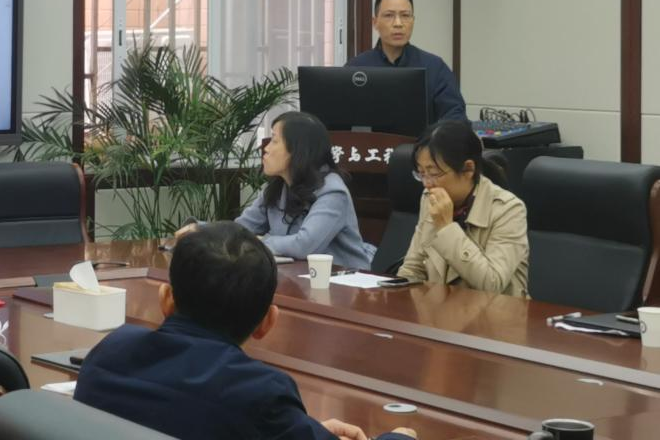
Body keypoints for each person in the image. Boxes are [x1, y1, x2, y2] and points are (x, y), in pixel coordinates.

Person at [74, 221, 416, 440]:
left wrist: (305, 431)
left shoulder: (110, 352)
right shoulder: (258, 393)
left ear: (165, 299)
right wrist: (400, 437)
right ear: (268, 322)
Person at [397, 120, 529, 296]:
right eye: (421, 174)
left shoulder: (508, 209)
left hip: (492, 312)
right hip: (437, 309)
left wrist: (446, 228)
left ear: (468, 169)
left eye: (434, 173)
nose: (427, 184)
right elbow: (413, 267)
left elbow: (492, 284)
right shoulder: (429, 197)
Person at [231, 111, 376, 269]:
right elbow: (240, 230)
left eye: (274, 141)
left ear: (298, 150)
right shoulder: (276, 187)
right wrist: (211, 233)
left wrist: (260, 242)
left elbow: (304, 246)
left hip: (342, 279)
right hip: (295, 275)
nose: (266, 148)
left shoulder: (332, 191)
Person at [347, 0, 467, 123]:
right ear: (375, 23)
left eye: (405, 15)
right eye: (389, 15)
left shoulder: (434, 67)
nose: (398, 24)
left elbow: (456, 117)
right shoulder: (356, 68)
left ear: (413, 20)